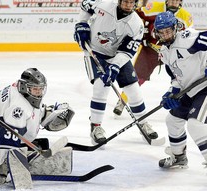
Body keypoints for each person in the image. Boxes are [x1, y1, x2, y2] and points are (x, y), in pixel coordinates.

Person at [73, 0, 159, 146]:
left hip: (118, 55)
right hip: (94, 52)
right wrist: (81, 23)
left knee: (133, 90)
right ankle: (96, 127)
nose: (128, 5)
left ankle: (143, 122)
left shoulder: (136, 24)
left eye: (131, 3)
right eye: (125, 1)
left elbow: (126, 51)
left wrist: (115, 67)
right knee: (101, 86)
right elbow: (85, 5)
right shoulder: (103, 4)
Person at [0, 68, 75, 189]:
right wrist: (10, 168)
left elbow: (31, 110)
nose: (38, 92)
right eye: (35, 89)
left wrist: (47, 113)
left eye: (41, 89)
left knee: (41, 144)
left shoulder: (19, 88)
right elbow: (6, 141)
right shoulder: (18, 108)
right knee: (19, 150)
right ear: (24, 87)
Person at [113, 0, 193, 116]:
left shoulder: (186, 17)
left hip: (173, 52)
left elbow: (188, 37)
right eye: (171, 0)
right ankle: (122, 101)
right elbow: (136, 15)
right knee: (137, 77)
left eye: (176, 0)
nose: (173, 2)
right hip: (151, 50)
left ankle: (187, 104)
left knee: (182, 78)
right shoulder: (154, 7)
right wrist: (141, 33)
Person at [153, 11, 207, 168]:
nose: (166, 35)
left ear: (175, 28)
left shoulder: (186, 38)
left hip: (204, 88)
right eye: (162, 32)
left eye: (168, 31)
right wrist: (172, 93)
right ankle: (179, 158)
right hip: (191, 90)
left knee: (195, 124)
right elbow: (177, 78)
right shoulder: (164, 52)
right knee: (172, 121)